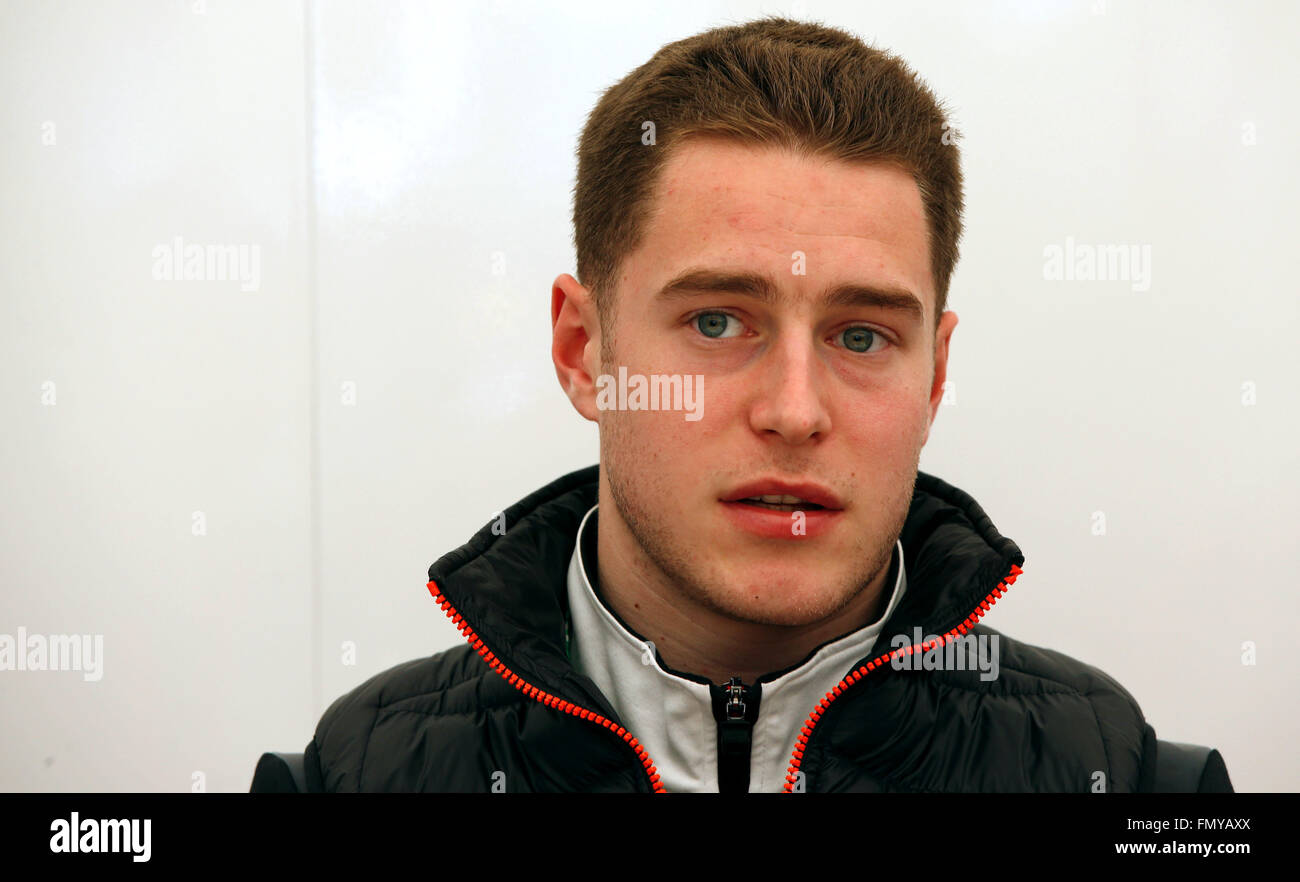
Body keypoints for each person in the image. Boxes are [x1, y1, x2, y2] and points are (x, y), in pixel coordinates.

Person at [293, 16, 1231, 792]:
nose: (794, 411)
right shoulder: (348, 780)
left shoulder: (1144, 787)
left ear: (935, 377)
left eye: (860, 336)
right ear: (584, 352)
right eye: (715, 323)